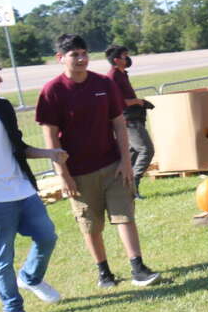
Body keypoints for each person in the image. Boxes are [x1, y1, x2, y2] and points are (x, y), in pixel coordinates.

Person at [36, 34, 160, 289]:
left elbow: (119, 124)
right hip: (78, 173)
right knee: (90, 225)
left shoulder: (104, 83)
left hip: (112, 165)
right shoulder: (52, 91)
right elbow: (50, 138)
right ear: (61, 58)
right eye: (75, 55)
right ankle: (104, 273)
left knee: (125, 215)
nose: (82, 59)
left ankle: (138, 267)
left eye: (84, 53)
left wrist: (126, 161)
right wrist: (63, 175)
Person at [0, 59, 66, 312]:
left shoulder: (2, 107)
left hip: (22, 189)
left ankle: (30, 277)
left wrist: (50, 153)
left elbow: (18, 146)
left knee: (47, 236)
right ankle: (13, 310)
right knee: (2, 258)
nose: (0, 81)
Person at [104, 44, 154, 196]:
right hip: (127, 120)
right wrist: (138, 102)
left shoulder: (122, 74)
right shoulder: (112, 77)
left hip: (134, 117)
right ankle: (134, 183)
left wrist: (139, 103)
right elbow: (119, 102)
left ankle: (125, 189)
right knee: (146, 150)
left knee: (132, 153)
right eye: (125, 56)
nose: (128, 58)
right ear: (116, 60)